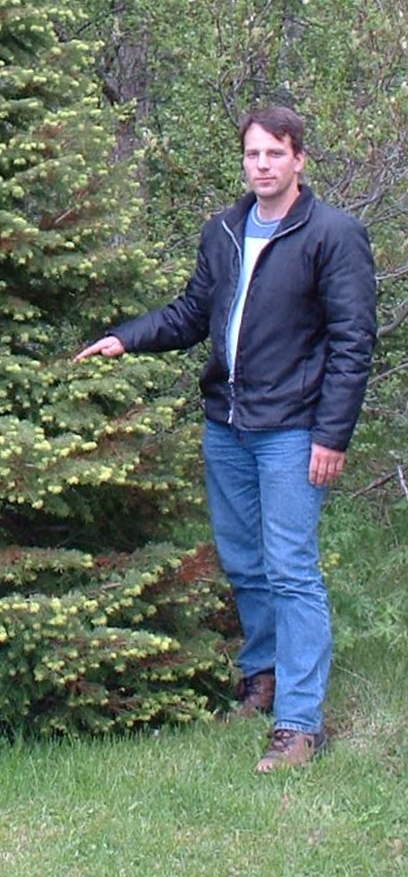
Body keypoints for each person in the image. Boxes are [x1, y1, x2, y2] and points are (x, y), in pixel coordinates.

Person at [74, 106, 376, 772]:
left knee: (291, 568)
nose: (262, 165)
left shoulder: (332, 234)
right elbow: (192, 313)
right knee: (244, 562)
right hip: (228, 427)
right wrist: (126, 336)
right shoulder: (224, 230)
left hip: (293, 430)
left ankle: (298, 724)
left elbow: (353, 343)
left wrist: (332, 434)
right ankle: (261, 678)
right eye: (252, 154)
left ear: (299, 159)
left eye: (275, 153)